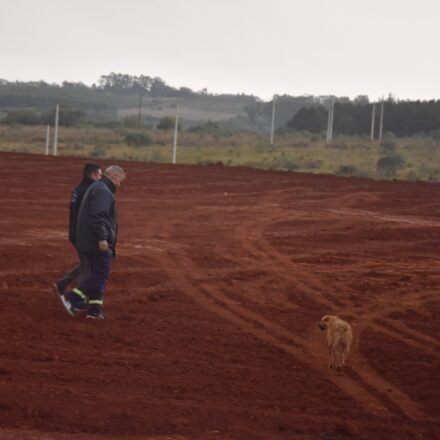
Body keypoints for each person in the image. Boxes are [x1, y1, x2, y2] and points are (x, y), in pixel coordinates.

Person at [58, 165, 126, 319]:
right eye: (120, 180)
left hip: (87, 239)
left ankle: (94, 310)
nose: (119, 184)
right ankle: (71, 298)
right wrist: (102, 239)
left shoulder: (98, 186)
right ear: (114, 176)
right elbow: (97, 217)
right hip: (96, 242)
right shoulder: (103, 191)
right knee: (101, 274)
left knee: (97, 274)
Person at [53, 163, 102, 296]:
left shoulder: (78, 189)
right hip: (84, 235)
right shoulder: (90, 191)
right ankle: (79, 299)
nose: (101, 179)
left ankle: (62, 283)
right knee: (88, 266)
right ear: (93, 175)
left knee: (88, 263)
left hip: (75, 232)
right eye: (100, 176)